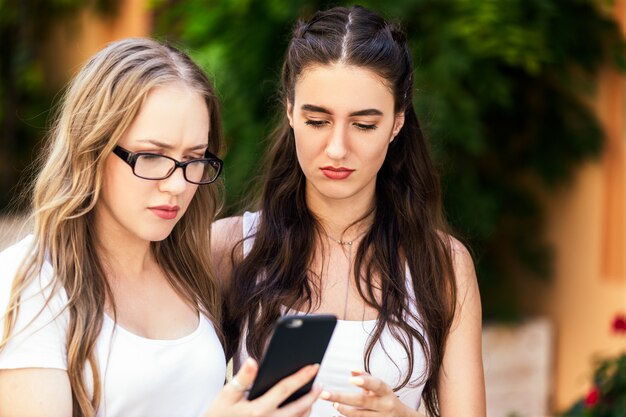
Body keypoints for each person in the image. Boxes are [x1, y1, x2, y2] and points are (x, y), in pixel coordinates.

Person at [0, 38, 320, 417]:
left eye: (193, 159)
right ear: (91, 149)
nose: (178, 185)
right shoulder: (31, 284)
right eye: (152, 156)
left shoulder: (189, 269)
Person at [212, 5, 486, 417]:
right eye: (318, 120)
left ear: (397, 122)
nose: (338, 148)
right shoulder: (231, 247)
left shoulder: (443, 266)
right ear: (290, 112)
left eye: (363, 125)